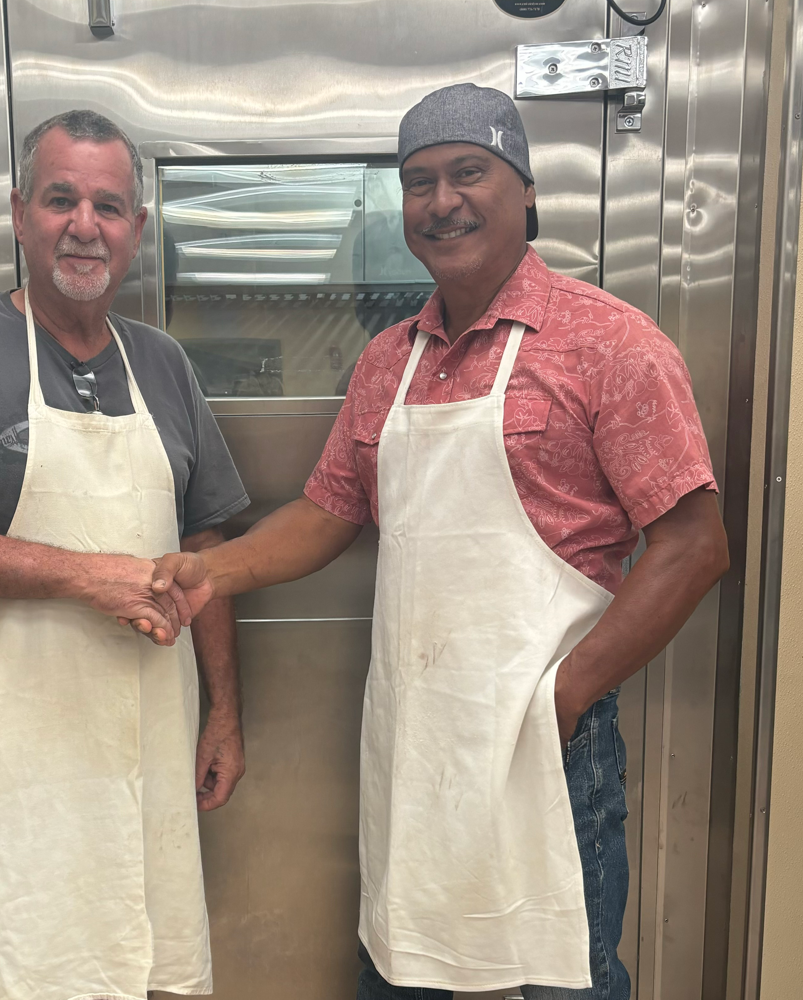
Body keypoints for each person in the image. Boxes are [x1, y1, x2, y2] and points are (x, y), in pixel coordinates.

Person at [147, 85, 730, 1000]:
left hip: (547, 746)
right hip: (417, 748)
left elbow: (694, 546)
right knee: (405, 972)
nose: (442, 201)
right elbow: (329, 512)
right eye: (419, 182)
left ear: (526, 191)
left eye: (469, 173)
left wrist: (563, 700)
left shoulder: (610, 343)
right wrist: (209, 571)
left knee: (557, 981)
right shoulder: (389, 360)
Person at [0, 110, 249, 999]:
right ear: (20, 211)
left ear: (137, 230)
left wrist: (223, 711)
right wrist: (87, 576)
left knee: (141, 965)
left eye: (108, 206)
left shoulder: (165, 366)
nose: (84, 225)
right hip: (12, 766)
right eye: (61, 199)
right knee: (14, 964)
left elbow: (205, 549)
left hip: (149, 747)